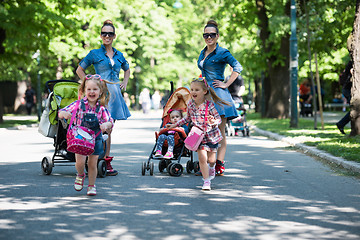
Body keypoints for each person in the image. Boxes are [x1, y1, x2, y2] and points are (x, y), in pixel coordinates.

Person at [76, 19, 131, 176]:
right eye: (104, 33)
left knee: (109, 128)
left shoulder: (119, 55)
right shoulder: (94, 53)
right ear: (101, 36)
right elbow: (79, 70)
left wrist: (125, 83)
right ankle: (90, 158)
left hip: (115, 95)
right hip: (100, 95)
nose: (107, 36)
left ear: (114, 36)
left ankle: (106, 160)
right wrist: (89, 83)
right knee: (94, 127)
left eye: (110, 33)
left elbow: (127, 70)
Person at [197, 20, 243, 176]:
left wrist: (226, 84)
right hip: (204, 95)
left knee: (219, 131)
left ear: (217, 36)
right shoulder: (203, 53)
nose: (208, 37)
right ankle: (204, 163)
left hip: (218, 95)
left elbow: (237, 67)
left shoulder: (223, 52)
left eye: (211, 35)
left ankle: (219, 165)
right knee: (203, 129)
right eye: (206, 35)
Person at [167, 78, 228, 191]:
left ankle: (212, 167)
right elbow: (187, 118)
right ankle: (206, 181)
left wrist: (213, 121)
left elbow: (218, 119)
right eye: (192, 89)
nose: (193, 92)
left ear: (204, 91)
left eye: (197, 90)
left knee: (211, 160)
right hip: (198, 136)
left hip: (211, 136)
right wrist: (174, 125)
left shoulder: (209, 105)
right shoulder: (190, 105)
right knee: (202, 158)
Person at [58, 74, 113, 196]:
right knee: (80, 162)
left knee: (92, 164)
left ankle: (91, 186)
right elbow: (62, 112)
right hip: (80, 138)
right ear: (83, 90)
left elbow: (110, 120)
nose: (92, 92)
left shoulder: (102, 108)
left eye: (95, 89)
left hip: (96, 138)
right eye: (89, 89)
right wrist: (64, 114)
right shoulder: (78, 105)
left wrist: (106, 125)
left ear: (100, 91)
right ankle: (80, 174)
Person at [336, 60, 352, 134]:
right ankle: (341, 123)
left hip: (347, 90)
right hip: (348, 90)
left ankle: (341, 124)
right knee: (355, 109)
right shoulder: (352, 68)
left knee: (355, 109)